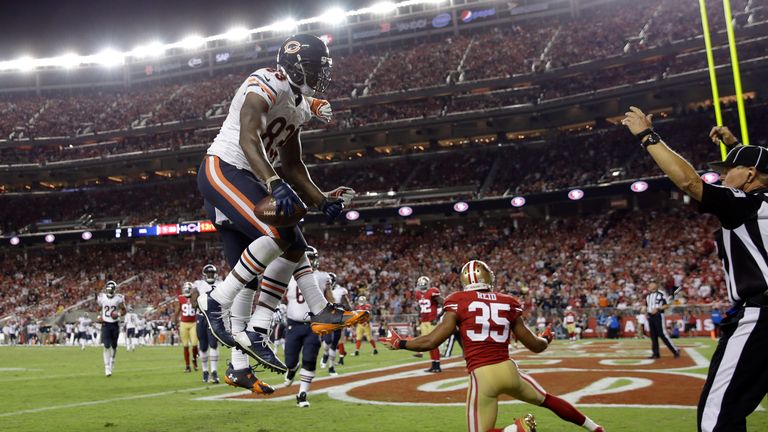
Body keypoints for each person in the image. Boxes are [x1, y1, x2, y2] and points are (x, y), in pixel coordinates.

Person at [196, 33, 368, 384]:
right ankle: (216, 301)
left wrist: (322, 201)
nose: (321, 75)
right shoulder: (266, 81)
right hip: (225, 167)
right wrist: (273, 183)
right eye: (315, 67)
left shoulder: (300, 103)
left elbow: (293, 166)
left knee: (293, 243)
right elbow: (248, 138)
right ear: (293, 65)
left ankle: (259, 332)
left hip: (255, 177)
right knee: (280, 233)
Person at [622, 108, 768, 431]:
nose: (722, 176)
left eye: (729, 169)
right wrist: (736, 145)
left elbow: (690, 182)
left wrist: (648, 137)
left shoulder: (745, 202)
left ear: (748, 176)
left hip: (762, 315)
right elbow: (761, 169)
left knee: (716, 417)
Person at [387, 260, 604, 432]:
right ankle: (595, 428)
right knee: (547, 400)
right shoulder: (507, 301)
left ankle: (518, 429)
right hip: (509, 370)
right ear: (489, 277)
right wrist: (546, 338)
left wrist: (401, 342)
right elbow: (535, 345)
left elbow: (431, 341)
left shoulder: (458, 300)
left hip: (483, 376)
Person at [282, 246, 325, 407]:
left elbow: (330, 299)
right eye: (306, 258)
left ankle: (302, 394)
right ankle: (292, 369)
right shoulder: (288, 276)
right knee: (290, 361)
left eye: (311, 259)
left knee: (309, 359)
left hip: (313, 325)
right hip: (293, 324)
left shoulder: (321, 277)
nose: (309, 262)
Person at [191, 264, 221, 384]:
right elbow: (193, 301)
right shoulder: (198, 284)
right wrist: (198, 300)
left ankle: (213, 371)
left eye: (211, 273)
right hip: (202, 316)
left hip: (213, 317)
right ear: (204, 274)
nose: (210, 275)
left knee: (213, 344)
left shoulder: (220, 284)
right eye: (208, 273)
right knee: (203, 346)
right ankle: (205, 372)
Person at [321, 272, 350, 376]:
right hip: (327, 318)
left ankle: (331, 368)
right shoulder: (322, 290)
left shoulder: (340, 290)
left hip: (338, 318)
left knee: (334, 343)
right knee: (327, 342)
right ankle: (325, 354)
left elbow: (347, 304)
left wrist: (349, 311)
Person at [97, 281, 127, 377]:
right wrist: (99, 316)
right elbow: (98, 308)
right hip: (105, 324)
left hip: (115, 324)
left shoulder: (119, 298)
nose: (109, 290)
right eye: (108, 288)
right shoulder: (102, 297)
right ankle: (107, 367)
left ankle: (112, 360)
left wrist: (117, 314)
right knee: (106, 345)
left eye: (111, 288)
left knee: (114, 346)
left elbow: (124, 310)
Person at [415, 275, 443, 372]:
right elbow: (419, 307)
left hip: (432, 321)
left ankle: (437, 366)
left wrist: (438, 317)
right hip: (424, 322)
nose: (422, 287)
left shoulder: (433, 292)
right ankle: (433, 365)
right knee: (428, 344)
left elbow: (444, 303)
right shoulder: (418, 294)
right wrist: (419, 316)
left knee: (433, 344)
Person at [175, 282, 199, 373]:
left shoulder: (195, 298)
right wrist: (174, 320)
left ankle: (195, 361)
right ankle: (187, 366)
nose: (187, 290)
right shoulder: (181, 298)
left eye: (188, 289)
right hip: (183, 324)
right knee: (185, 346)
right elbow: (177, 310)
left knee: (194, 345)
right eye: (186, 289)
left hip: (193, 323)